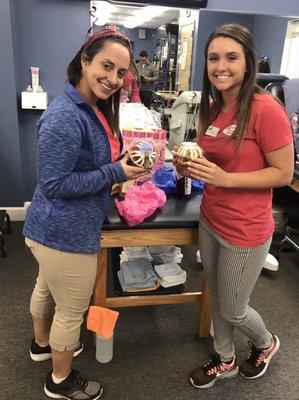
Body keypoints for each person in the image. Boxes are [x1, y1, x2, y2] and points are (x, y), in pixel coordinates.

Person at [23, 29, 148, 400]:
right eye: (106, 66)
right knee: (72, 312)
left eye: (121, 72)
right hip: (64, 233)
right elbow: (55, 184)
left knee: (46, 288)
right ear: (85, 61)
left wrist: (117, 170)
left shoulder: (91, 106)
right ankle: (59, 380)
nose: (113, 78)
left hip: (51, 231)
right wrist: (115, 173)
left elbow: (85, 167)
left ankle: (42, 345)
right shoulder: (65, 116)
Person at [173, 24, 294, 389]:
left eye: (231, 57)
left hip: (246, 229)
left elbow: (283, 174)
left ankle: (265, 342)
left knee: (233, 307)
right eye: (213, 58)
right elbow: (210, 160)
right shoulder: (212, 108)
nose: (220, 66)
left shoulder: (265, 110)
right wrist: (187, 164)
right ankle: (224, 359)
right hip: (211, 219)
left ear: (248, 63)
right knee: (216, 291)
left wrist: (223, 178)